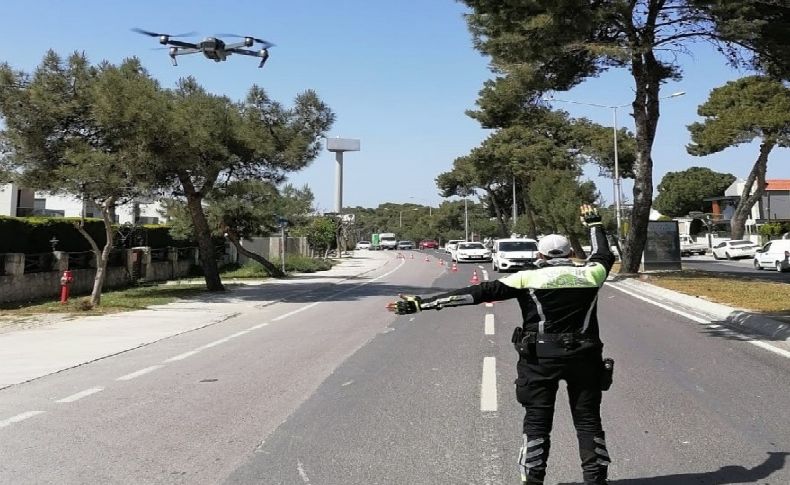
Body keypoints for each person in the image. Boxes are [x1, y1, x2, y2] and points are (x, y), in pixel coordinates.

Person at [387, 205, 616, 485]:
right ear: (570, 254)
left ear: (540, 255)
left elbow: (475, 293)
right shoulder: (592, 274)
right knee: (589, 422)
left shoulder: (526, 277)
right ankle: (596, 480)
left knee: (537, 424)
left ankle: (533, 481)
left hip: (539, 359)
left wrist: (420, 304)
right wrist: (594, 224)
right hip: (585, 356)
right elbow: (603, 254)